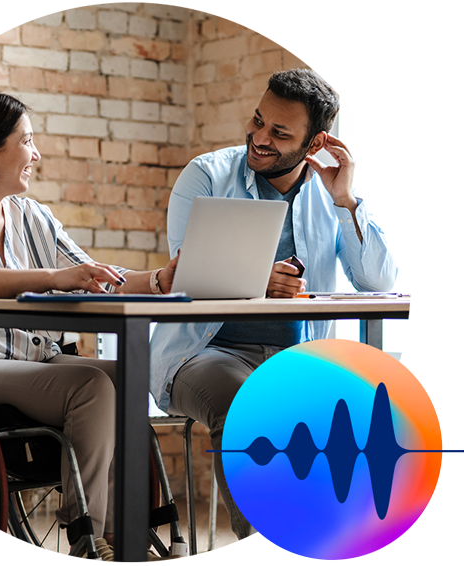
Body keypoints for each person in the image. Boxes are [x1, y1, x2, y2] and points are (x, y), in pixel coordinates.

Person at [0, 89, 181, 561]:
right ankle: (87, 534)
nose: (36, 154)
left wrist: (159, 278)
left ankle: (121, 532)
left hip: (35, 364)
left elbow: (90, 274)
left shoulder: (34, 217)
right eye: (27, 141)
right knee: (91, 384)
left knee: (128, 375)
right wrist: (55, 278)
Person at [150, 68, 397, 563]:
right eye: (259, 121)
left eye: (280, 133)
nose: (259, 139)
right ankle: (270, 558)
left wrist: (345, 200)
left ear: (313, 143)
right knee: (248, 403)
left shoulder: (328, 197)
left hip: (297, 358)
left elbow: (378, 281)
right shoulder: (207, 175)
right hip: (204, 354)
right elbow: (186, 272)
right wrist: (255, 280)